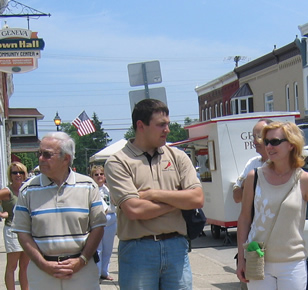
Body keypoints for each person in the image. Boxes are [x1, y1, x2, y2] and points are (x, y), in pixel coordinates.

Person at [236, 121, 308, 289]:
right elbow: (244, 220)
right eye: (267, 141)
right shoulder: (254, 177)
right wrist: (241, 260)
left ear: (291, 145)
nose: (269, 146)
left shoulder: (304, 180)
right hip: (258, 260)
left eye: (275, 141)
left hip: (292, 264)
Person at [104, 98, 204, 289]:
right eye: (161, 125)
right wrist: (179, 199)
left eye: (167, 124)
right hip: (138, 251)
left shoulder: (178, 156)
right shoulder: (118, 162)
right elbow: (134, 209)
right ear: (141, 126)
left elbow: (197, 199)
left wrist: (154, 194)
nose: (167, 129)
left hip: (176, 247)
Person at [12, 132, 106, 290]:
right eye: (39, 153)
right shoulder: (27, 190)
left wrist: (82, 260)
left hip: (82, 271)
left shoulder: (88, 186)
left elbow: (98, 227)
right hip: (42, 273)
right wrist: (43, 264)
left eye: (47, 155)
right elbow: (22, 233)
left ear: (66, 158)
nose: (41, 158)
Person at [0, 162, 30, 290]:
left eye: (21, 172)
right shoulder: (7, 191)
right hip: (12, 231)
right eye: (14, 172)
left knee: (25, 266)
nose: (18, 175)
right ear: (10, 175)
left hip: (27, 230)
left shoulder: (27, 189)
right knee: (12, 266)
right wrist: (2, 213)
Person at [233, 118, 272, 203]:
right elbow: (237, 197)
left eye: (259, 137)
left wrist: (246, 186)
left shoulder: (280, 165)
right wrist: (248, 182)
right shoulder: (252, 163)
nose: (254, 142)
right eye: (254, 137)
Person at [89, 165, 116, 281]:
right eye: (96, 174)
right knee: (98, 249)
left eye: (101, 174)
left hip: (112, 218)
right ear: (92, 176)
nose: (99, 176)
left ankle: (105, 271)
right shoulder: (92, 189)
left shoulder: (108, 189)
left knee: (108, 248)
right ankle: (97, 272)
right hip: (99, 220)